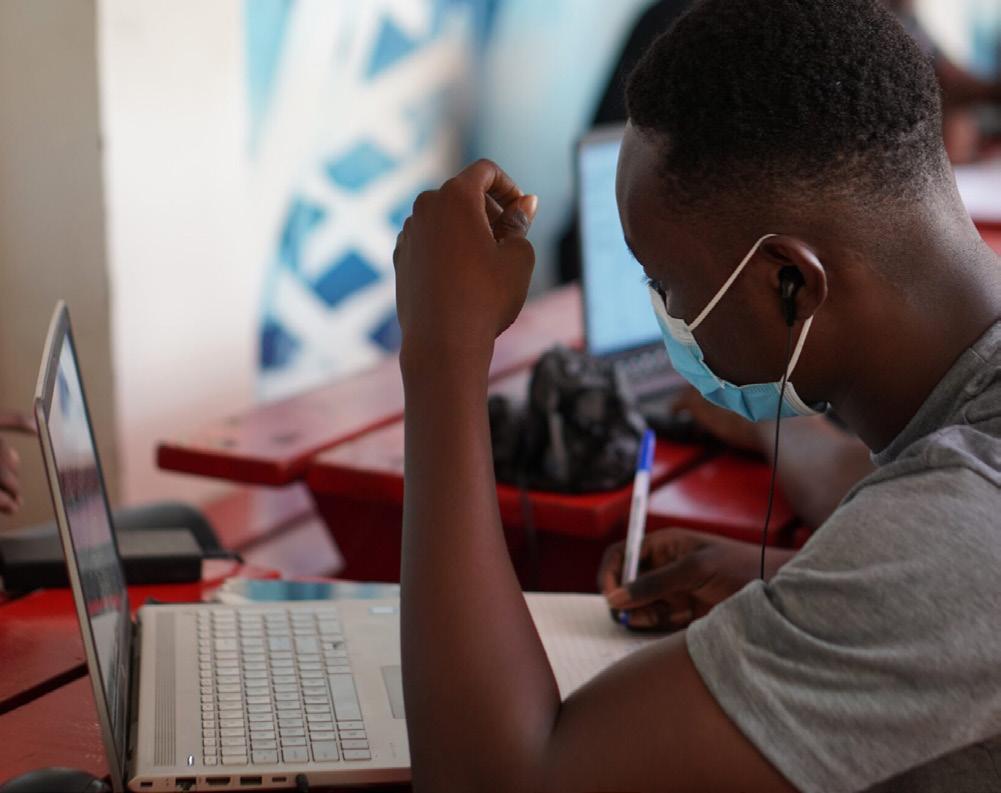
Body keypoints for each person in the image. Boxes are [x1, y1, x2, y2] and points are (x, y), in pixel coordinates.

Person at [392, 0, 1001, 790]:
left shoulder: (956, 531)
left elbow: (493, 780)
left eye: (665, 283)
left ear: (789, 283)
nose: (666, 317)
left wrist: (441, 350)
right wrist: (799, 583)